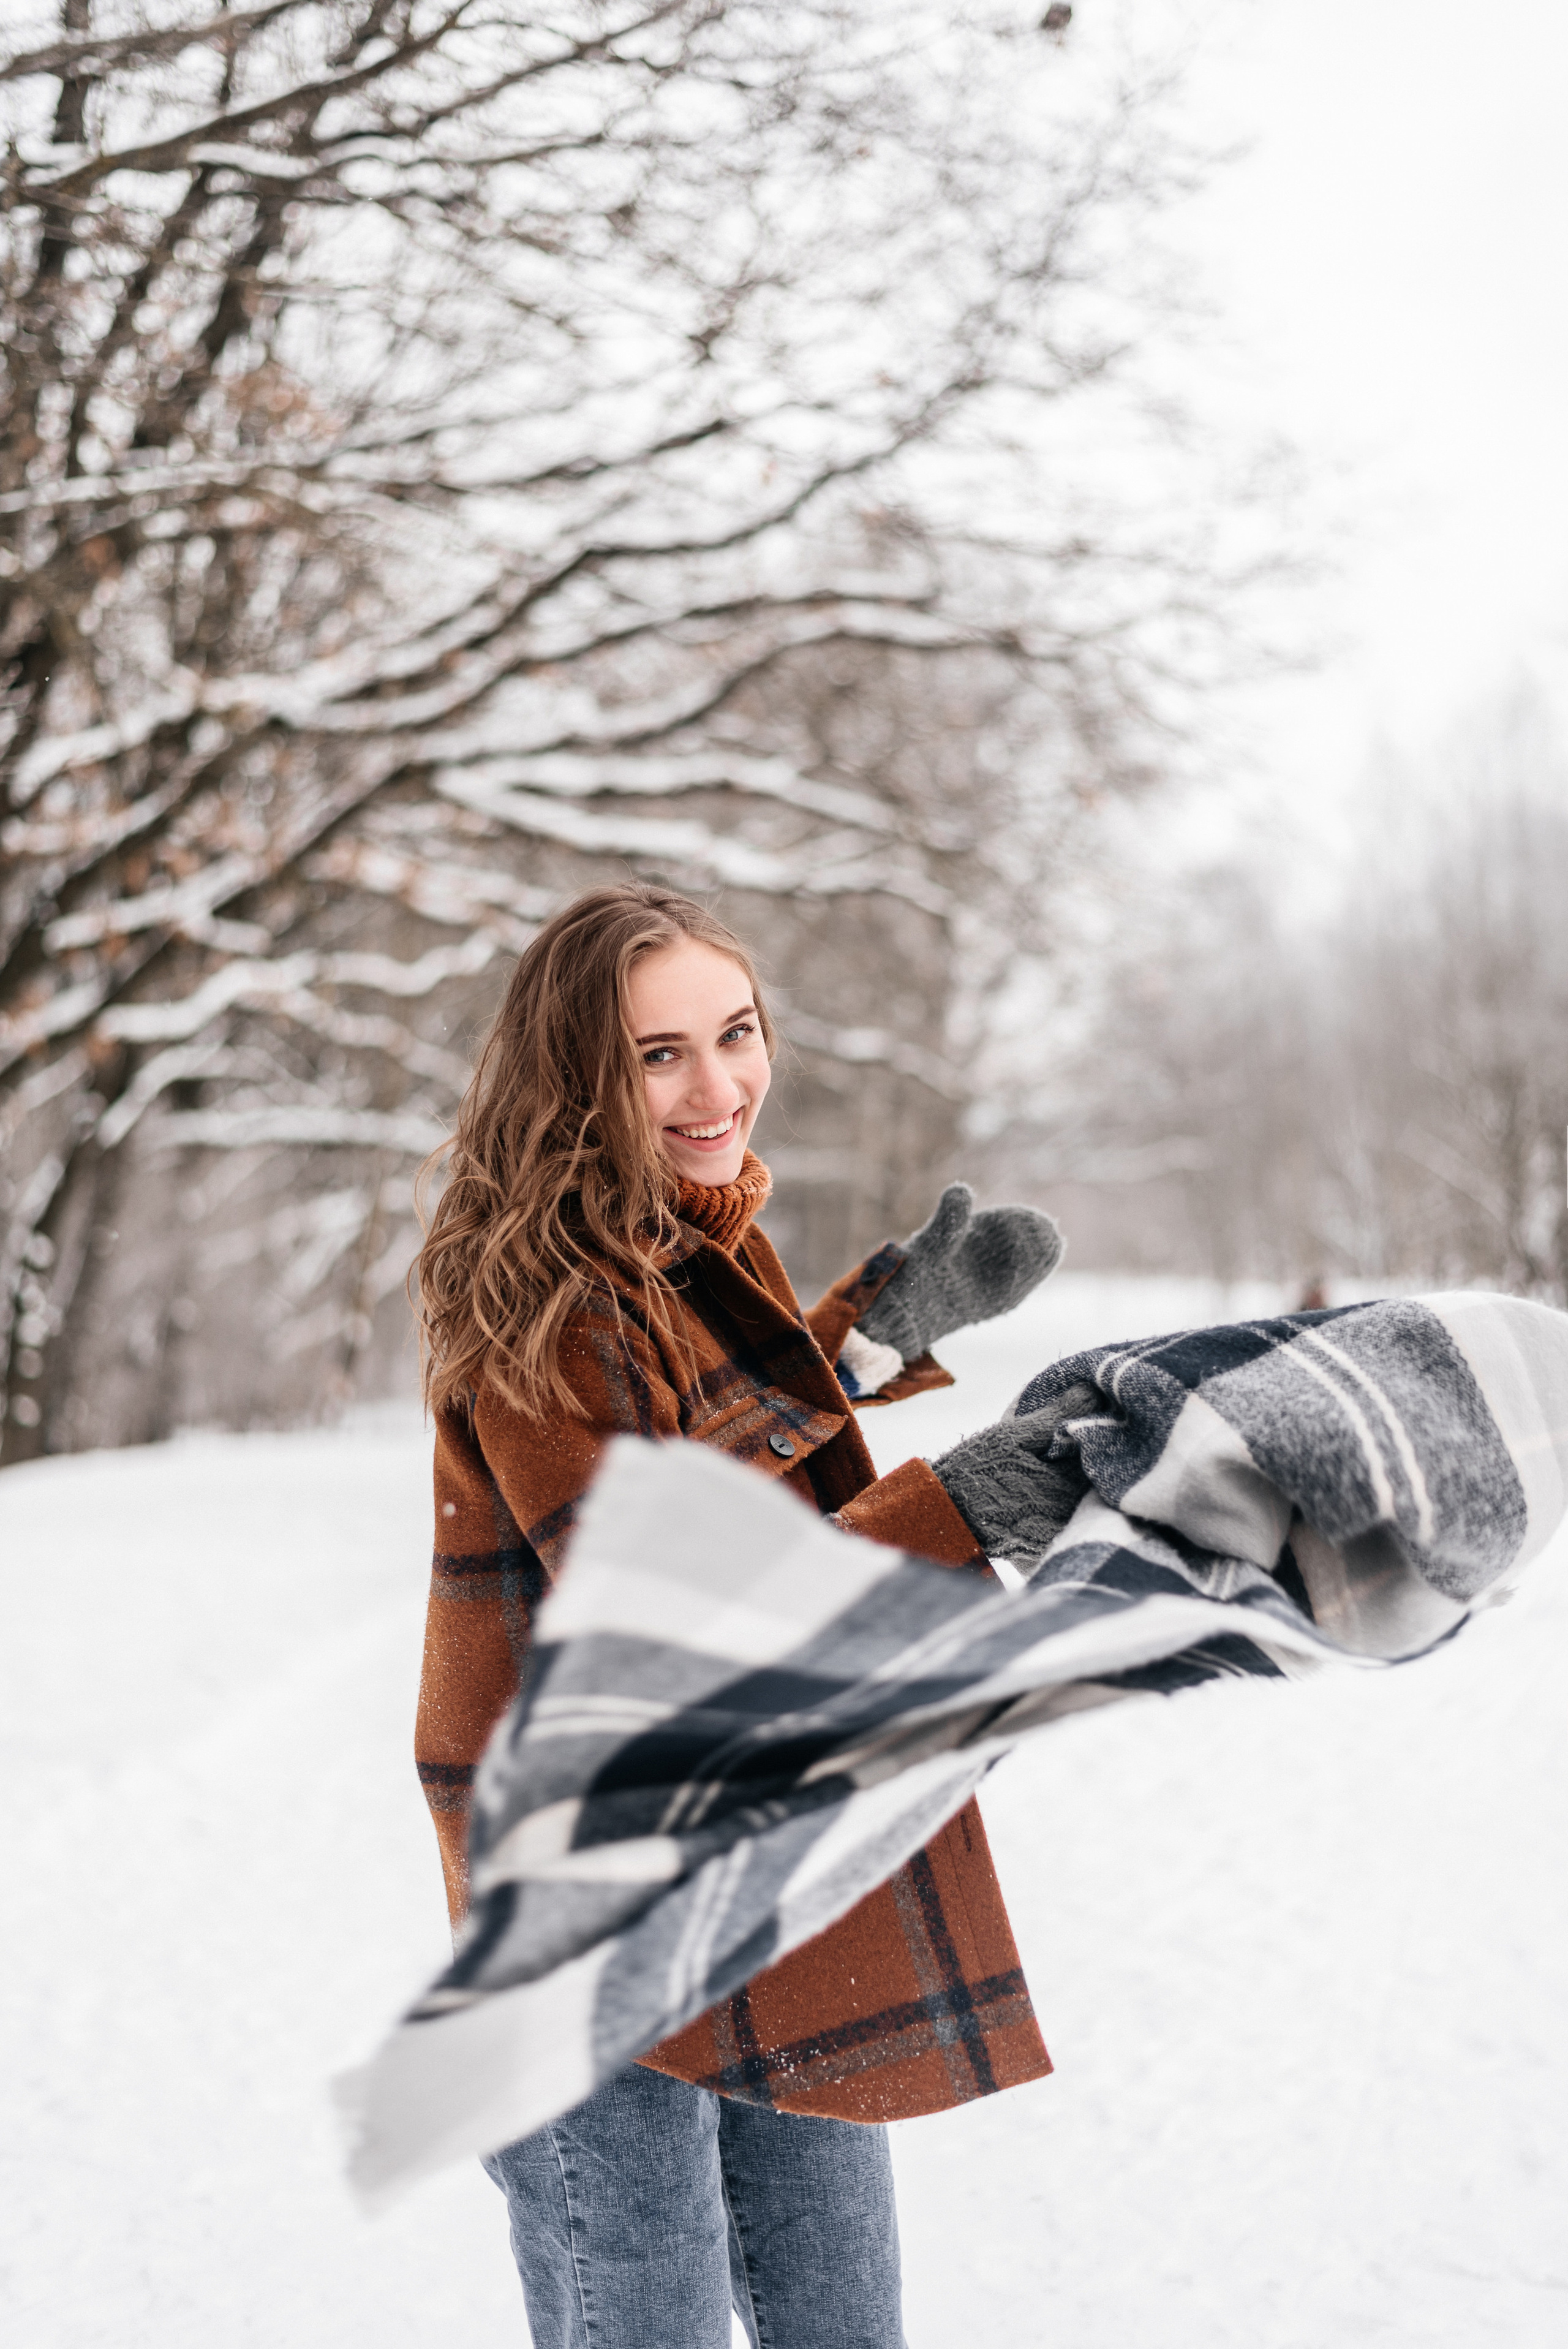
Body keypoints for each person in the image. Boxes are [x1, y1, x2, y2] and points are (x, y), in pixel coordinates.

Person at [413, 882, 1062, 2349]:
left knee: (840, 2316)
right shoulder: (549, 1298)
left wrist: (863, 1333)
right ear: (572, 1079)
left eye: (736, 1032)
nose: (717, 1087)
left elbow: (705, 1432)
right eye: (658, 1056)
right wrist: (959, 1506)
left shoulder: (687, 1238)